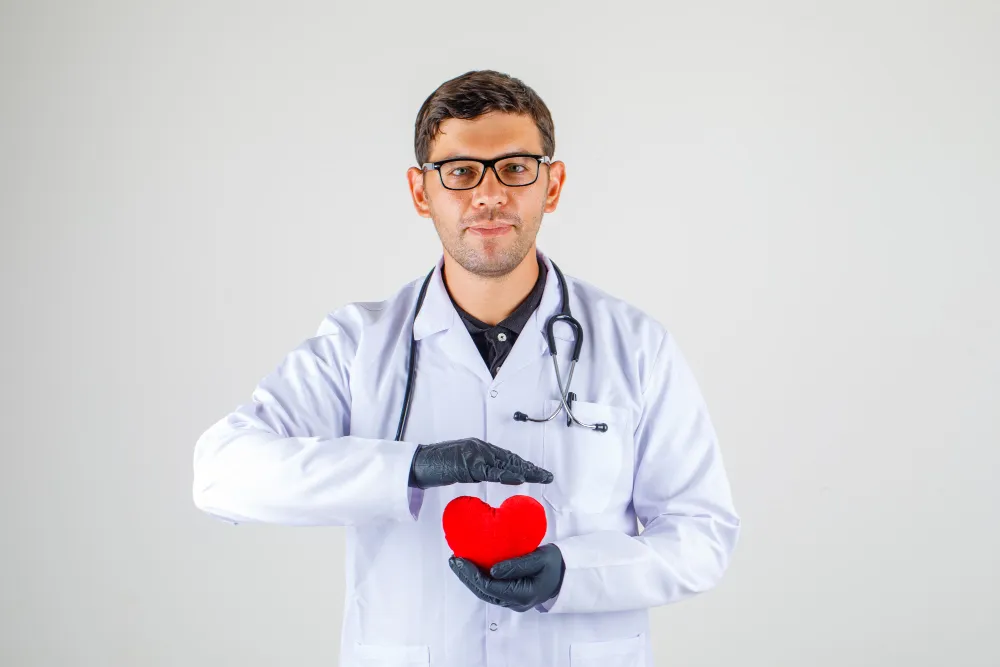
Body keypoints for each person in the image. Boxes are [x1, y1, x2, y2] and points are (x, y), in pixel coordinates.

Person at [192, 69, 740, 667]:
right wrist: (411, 467)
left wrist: (574, 573)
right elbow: (221, 474)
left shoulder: (636, 345)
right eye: (459, 171)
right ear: (420, 191)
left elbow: (702, 533)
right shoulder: (356, 345)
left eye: (515, 168)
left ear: (552, 185)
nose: (488, 194)